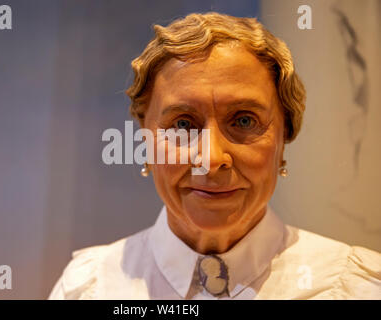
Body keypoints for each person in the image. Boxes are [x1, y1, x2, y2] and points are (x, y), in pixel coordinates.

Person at [48, 12, 381, 299]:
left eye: (245, 120)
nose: (211, 158)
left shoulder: (352, 286)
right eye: (182, 124)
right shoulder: (90, 287)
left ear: (285, 135)